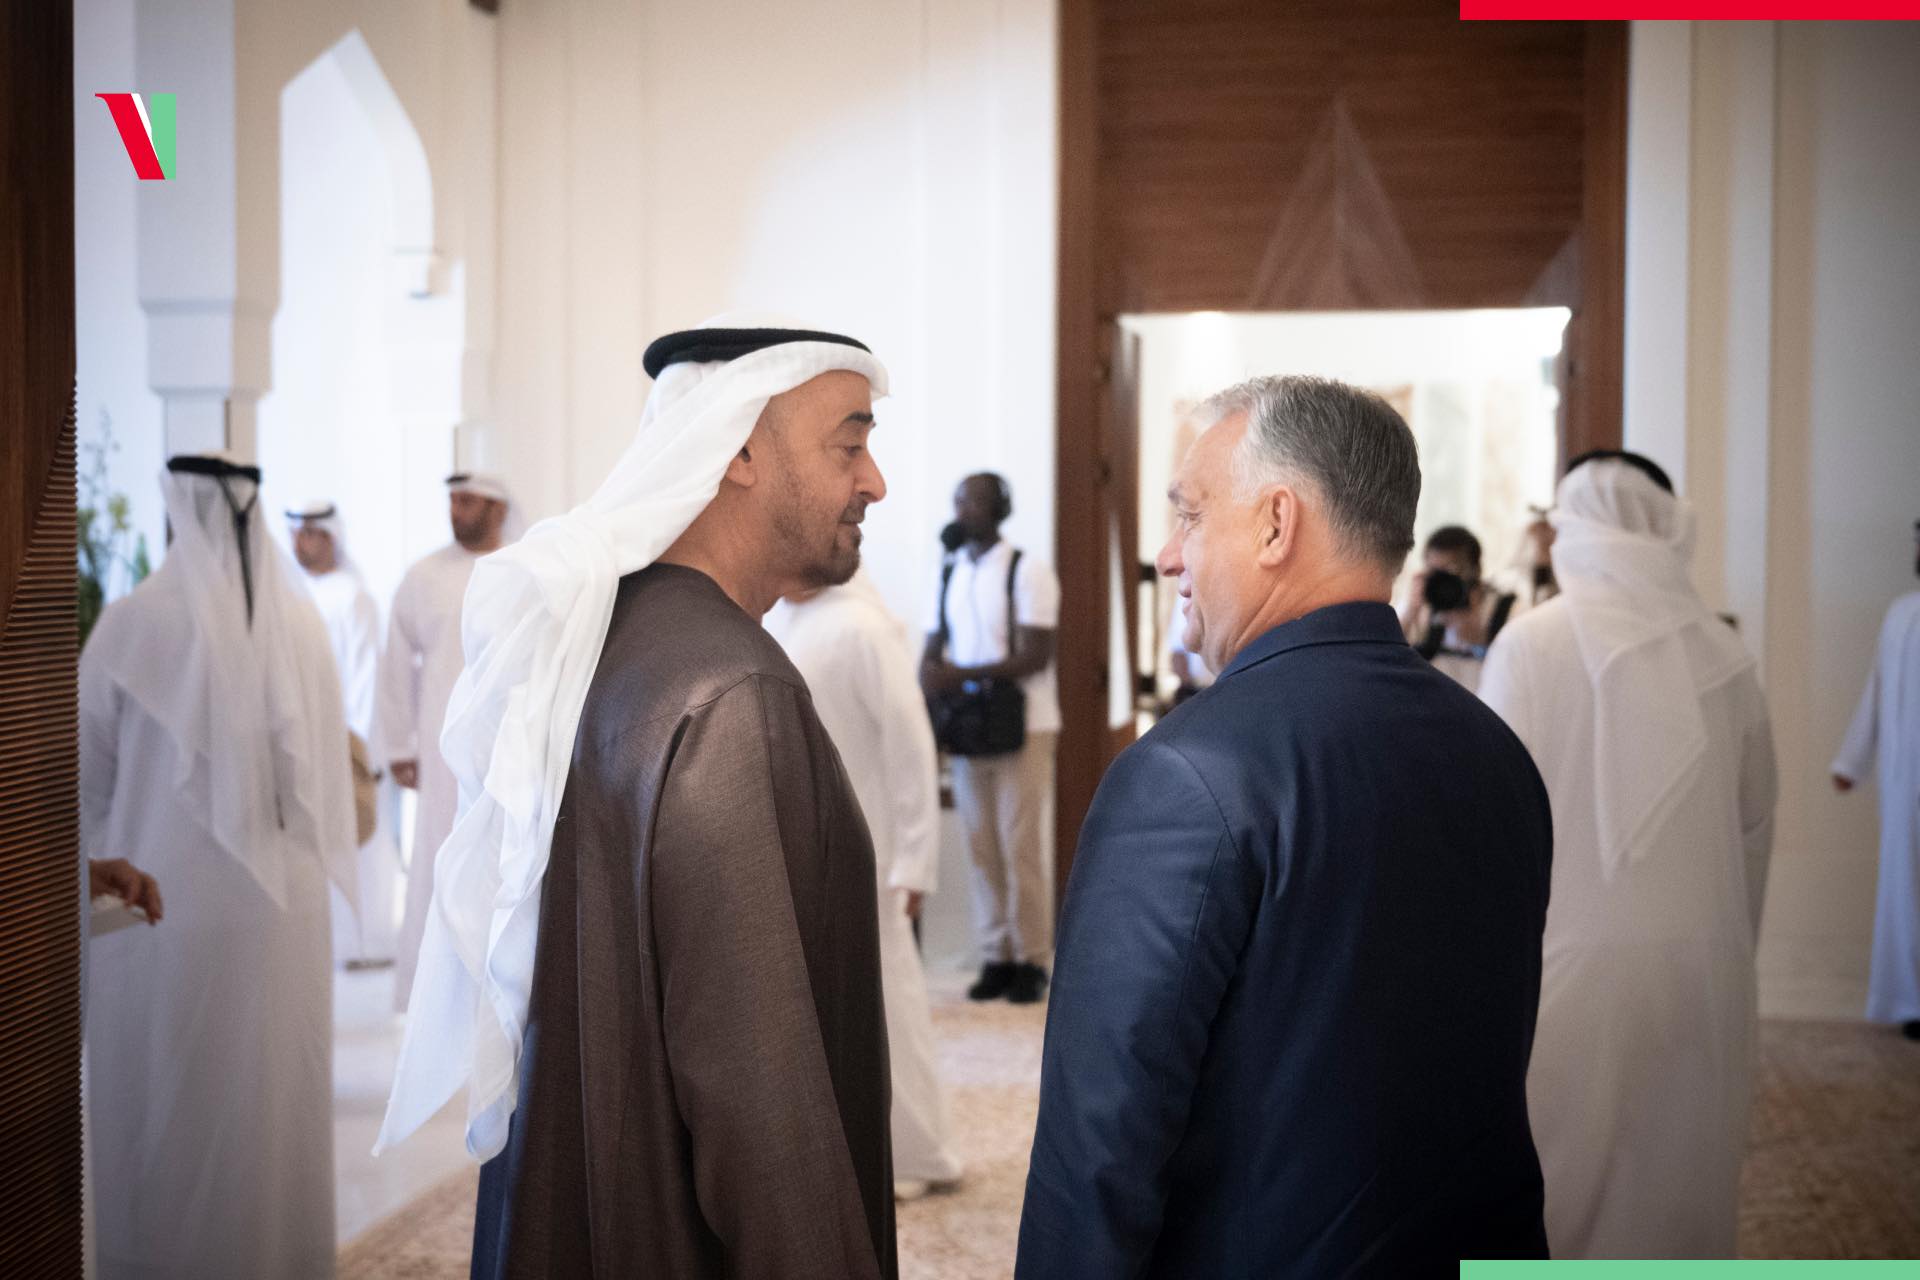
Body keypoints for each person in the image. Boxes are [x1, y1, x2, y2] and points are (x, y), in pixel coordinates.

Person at [378, 318, 898, 1279]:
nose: (875, 481)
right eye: (849, 445)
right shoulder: (731, 693)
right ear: (739, 450)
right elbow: (762, 1106)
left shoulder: (604, 642)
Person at [1018, 376, 1553, 1277]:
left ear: (1276, 524)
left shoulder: (1184, 773)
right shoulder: (1495, 751)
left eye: (1189, 515)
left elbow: (1100, 1141)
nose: (1168, 555)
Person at [1479, 450, 1778, 1259]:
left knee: (1559, 1199)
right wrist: (1728, 949)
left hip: (1564, 973)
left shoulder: (1529, 644)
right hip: (1706, 970)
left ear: (1573, 528)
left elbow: (1490, 822)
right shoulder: (1729, 659)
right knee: (1682, 1194)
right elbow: (1754, 827)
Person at [81, 454, 357, 1279]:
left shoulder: (131, 625)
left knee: (173, 1122)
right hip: (286, 918)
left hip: (158, 914)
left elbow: (81, 784)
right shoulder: (303, 624)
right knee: (270, 1122)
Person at [766, 569, 966, 1200]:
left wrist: (914, 862)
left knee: (889, 1005)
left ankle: (916, 1153)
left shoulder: (863, 628)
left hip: (870, 851)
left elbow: (911, 747)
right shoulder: (779, 620)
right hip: (802, 847)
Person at [373, 471, 517, 1010]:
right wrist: (399, 745)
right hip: (441, 751)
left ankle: (498, 992)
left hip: (509, 747)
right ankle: (430, 994)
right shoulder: (422, 577)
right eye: (453, 500)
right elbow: (395, 664)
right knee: (439, 854)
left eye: (468, 501)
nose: (456, 510)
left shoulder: (522, 568)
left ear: (498, 509)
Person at [919, 472, 1060, 1004]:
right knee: (980, 844)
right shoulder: (950, 571)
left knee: (1019, 843)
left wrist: (960, 675)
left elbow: (1036, 655)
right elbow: (933, 647)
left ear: (999, 509)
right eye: (957, 501)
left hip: (1025, 724)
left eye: (972, 502)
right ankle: (995, 955)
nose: (961, 511)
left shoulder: (1027, 570)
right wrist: (927, 691)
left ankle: (1031, 958)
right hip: (968, 727)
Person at [289, 497, 398, 967]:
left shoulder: (354, 597)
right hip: (307, 743)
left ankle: (368, 942)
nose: (300, 542)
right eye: (295, 532)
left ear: (330, 538)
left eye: (309, 533)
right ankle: (334, 942)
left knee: (363, 842)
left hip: (348, 746)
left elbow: (364, 677)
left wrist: (354, 749)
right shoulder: (295, 595)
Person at [1831, 520, 1920, 1041]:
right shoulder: (1901, 613)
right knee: (1905, 891)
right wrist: (1852, 761)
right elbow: (1878, 689)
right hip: (1903, 783)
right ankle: (1911, 1000)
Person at [1399, 523, 1518, 693]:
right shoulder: (1421, 604)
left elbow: (1517, 667)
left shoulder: (1504, 608)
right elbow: (1387, 654)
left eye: (1451, 572)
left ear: (1476, 570)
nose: (1443, 583)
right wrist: (1411, 611)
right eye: (1435, 573)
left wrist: (1481, 641)